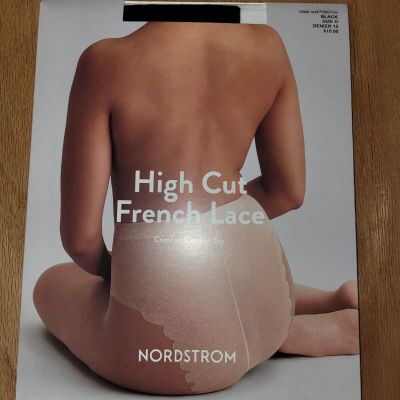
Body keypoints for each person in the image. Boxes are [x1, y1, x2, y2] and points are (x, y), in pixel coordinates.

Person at [33, 22, 359, 395]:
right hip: (265, 278)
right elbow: (286, 192)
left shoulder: (105, 61)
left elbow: (81, 241)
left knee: (51, 283)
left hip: (174, 349)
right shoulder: (267, 43)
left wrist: (131, 271)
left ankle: (233, 333)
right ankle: (316, 310)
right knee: (216, 267)